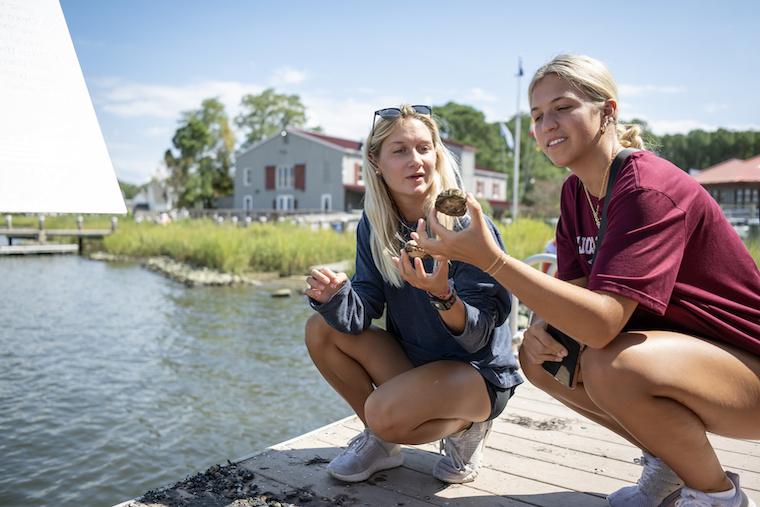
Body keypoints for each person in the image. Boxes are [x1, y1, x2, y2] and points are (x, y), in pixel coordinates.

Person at [413, 55, 760, 507]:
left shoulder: (645, 188)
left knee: (610, 364)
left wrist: (492, 260)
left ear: (607, 112)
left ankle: (716, 495)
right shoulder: (577, 191)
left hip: (747, 369)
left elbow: (601, 325)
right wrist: (539, 325)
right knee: (539, 358)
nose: (547, 123)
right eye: (537, 116)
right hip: (691, 362)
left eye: (563, 107)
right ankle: (671, 463)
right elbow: (573, 287)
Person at [304, 104, 522, 484]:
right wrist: (336, 295)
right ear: (376, 162)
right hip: (418, 364)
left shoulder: (466, 224)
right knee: (319, 329)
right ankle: (382, 444)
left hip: (477, 373)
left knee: (385, 414)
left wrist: (442, 294)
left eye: (424, 148)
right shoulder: (375, 224)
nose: (416, 160)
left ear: (437, 154)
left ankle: (466, 429)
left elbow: (481, 336)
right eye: (400, 150)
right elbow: (363, 309)